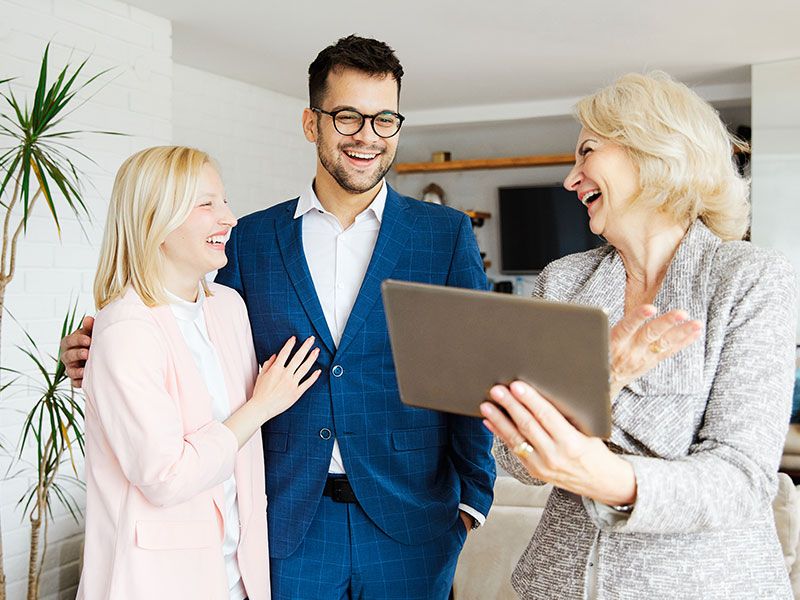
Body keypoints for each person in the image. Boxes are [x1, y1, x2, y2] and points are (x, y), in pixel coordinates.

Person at [63, 37, 495, 599]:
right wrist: (95, 354)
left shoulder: (443, 235)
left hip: (413, 529)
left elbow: (476, 374)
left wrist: (470, 503)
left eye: (384, 119)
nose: (367, 136)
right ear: (311, 123)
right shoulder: (250, 239)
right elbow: (194, 339)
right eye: (348, 117)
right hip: (285, 526)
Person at [482, 71, 797, 599]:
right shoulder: (563, 280)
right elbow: (516, 461)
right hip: (561, 586)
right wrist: (602, 381)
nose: (571, 178)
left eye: (586, 152)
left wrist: (605, 475)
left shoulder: (749, 278)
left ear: (654, 150)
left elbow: (742, 478)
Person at [75, 146, 320, 600]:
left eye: (224, 201)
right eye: (207, 204)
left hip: (238, 576)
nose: (228, 218)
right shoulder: (126, 328)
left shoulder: (227, 308)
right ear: (155, 219)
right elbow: (165, 476)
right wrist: (261, 406)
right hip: (157, 582)